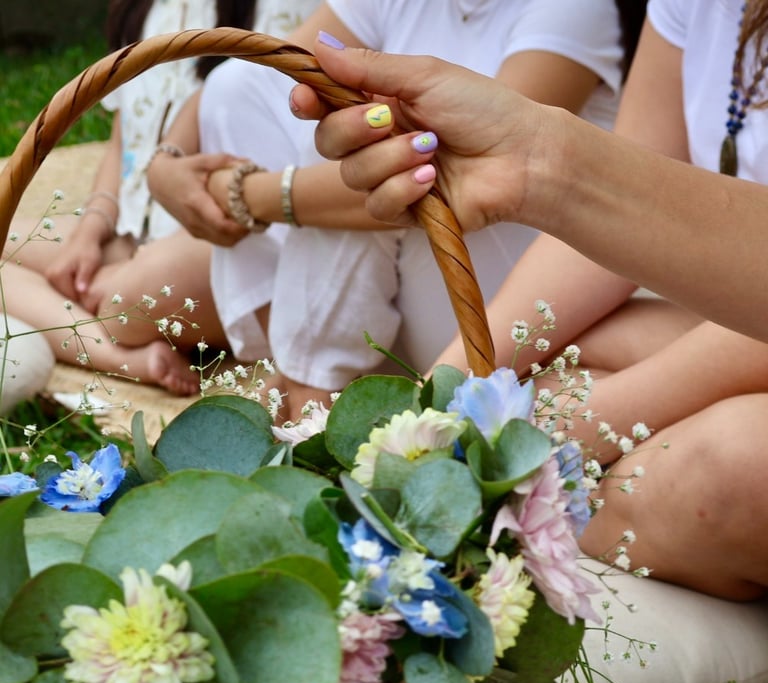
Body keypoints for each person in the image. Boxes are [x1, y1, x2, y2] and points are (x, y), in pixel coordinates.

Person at [290, 0, 768, 602]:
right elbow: (622, 204)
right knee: (556, 363)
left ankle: (512, 537)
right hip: (717, 320)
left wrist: (564, 438)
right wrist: (439, 400)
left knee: (726, 470)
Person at [148, 0, 645, 417]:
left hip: (500, 298)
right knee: (242, 88)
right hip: (384, 279)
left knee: (394, 155)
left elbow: (462, 171)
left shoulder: (575, 9)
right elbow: (266, 69)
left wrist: (249, 196)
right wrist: (166, 161)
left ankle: (315, 388)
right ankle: (305, 364)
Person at [1, 0, 287, 396]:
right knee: (7, 243)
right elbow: (121, 145)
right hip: (132, 234)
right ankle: (125, 360)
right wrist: (90, 231)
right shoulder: (143, 10)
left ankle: (101, 309)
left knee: (118, 303)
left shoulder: (279, 11)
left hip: (220, 244)